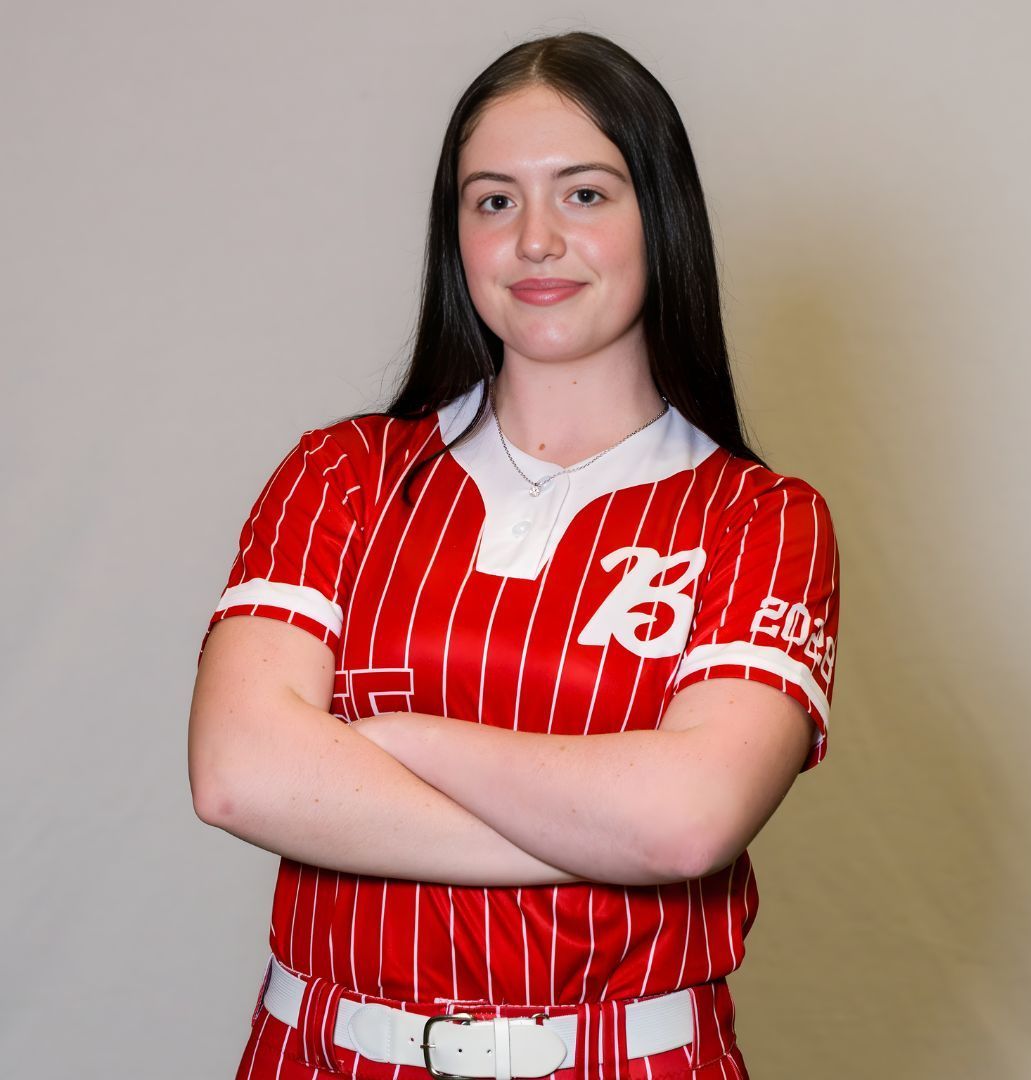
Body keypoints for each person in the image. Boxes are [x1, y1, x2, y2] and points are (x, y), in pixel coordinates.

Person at [188, 30, 839, 1080]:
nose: (536, 239)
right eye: (494, 201)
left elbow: (684, 824)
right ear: (458, 238)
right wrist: (598, 835)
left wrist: (388, 738)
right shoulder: (345, 474)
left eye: (584, 194)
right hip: (323, 1056)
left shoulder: (759, 519)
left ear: (660, 218)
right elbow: (237, 773)